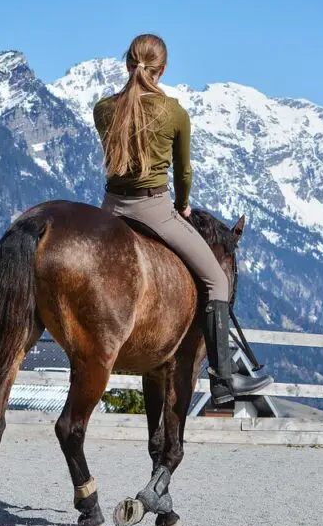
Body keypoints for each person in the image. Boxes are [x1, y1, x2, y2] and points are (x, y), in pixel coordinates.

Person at [92, 33, 272, 405]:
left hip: (110, 210)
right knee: (217, 280)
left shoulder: (103, 109)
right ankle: (224, 379)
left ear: (127, 64)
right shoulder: (174, 112)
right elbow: (183, 173)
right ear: (163, 70)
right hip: (154, 210)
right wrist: (184, 205)